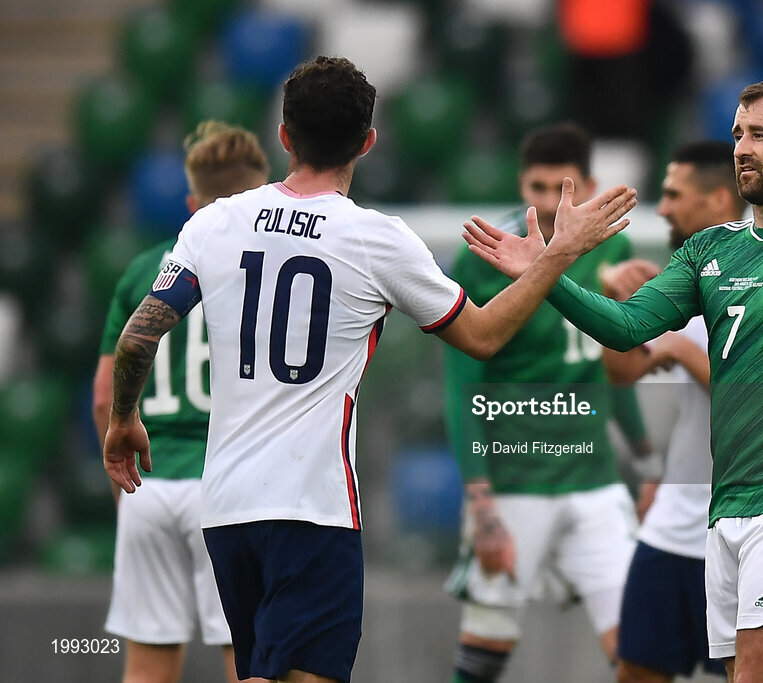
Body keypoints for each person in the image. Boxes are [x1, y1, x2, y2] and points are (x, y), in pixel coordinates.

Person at [101, 56, 638, 683]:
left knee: (253, 673)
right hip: (313, 506)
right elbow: (485, 336)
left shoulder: (212, 224)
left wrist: (122, 419)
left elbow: (139, 336)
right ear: (368, 142)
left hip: (226, 507)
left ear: (284, 136)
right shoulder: (375, 238)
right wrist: (559, 255)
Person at [462, 78, 763, 683]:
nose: (741, 147)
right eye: (737, 134)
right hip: (726, 503)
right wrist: (549, 269)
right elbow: (628, 328)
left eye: (759, 134)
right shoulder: (709, 250)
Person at [442, 122, 674, 683]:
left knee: (639, 652)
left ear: (588, 185)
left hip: (593, 480)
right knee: (483, 659)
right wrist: (481, 501)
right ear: (521, 184)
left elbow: (609, 370)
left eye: (561, 188)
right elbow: (462, 385)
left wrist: (645, 463)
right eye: (537, 187)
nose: (547, 201)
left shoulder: (612, 247)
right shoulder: (484, 255)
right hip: (515, 479)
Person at [93, 120, 271, 683]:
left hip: (147, 486)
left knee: (147, 669)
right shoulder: (271, 271)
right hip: (227, 487)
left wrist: (123, 490)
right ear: (262, 197)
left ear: (194, 201)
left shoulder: (145, 271)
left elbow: (104, 397)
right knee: (246, 662)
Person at [601, 141, 745, 683]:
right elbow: (622, 373)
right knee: (636, 671)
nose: (661, 209)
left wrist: (684, 351)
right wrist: (617, 309)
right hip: (672, 527)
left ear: (717, 200)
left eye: (673, 195)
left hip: (742, 530)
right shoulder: (682, 283)